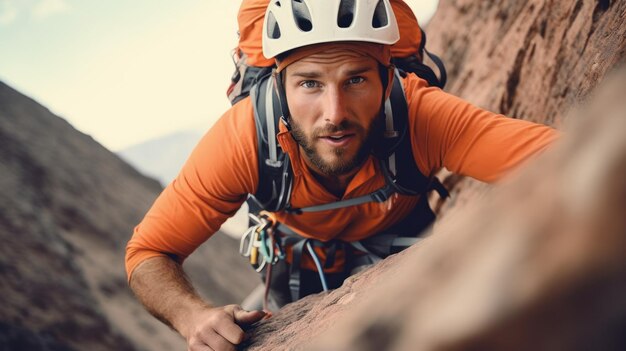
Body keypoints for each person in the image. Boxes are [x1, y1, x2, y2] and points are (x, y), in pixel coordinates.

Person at [125, 0, 559, 350]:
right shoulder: (243, 138)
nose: (334, 115)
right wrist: (191, 315)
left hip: (400, 234)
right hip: (298, 255)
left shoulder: (419, 113)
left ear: (387, 78)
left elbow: (564, 157)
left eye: (355, 80)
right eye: (310, 83)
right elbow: (149, 252)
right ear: (280, 84)